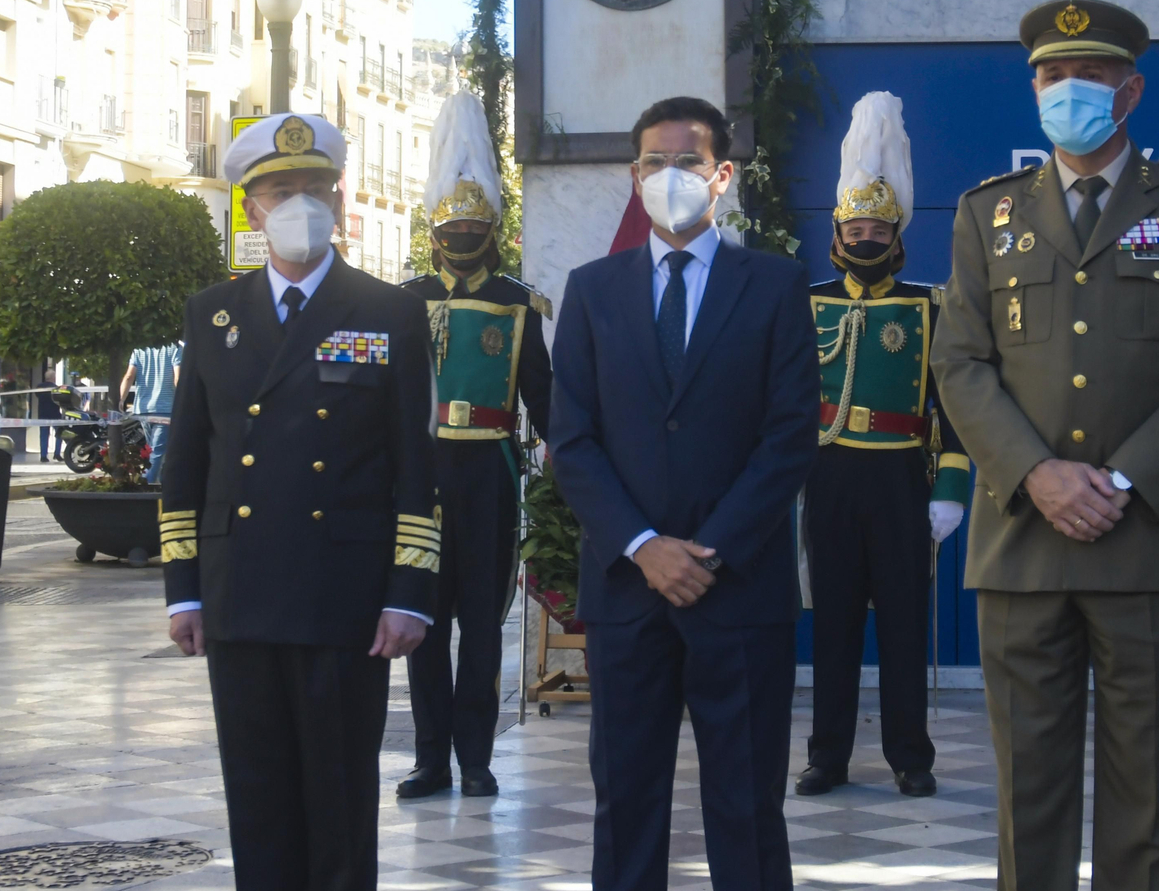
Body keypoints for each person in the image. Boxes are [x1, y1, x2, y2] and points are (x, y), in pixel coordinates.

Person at [931, 0, 1159, 891]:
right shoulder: (986, 215)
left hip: (1151, 539)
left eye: (1089, 74)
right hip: (1022, 545)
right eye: (1050, 74)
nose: (1065, 88)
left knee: (1149, 799)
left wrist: (1117, 480)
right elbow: (958, 362)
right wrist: (1038, 474)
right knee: (1026, 798)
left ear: (1132, 90)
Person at [160, 113, 441, 891]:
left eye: (317, 187)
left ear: (342, 201)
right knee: (257, 796)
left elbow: (417, 464)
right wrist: (184, 588)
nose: (302, 203)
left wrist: (409, 594)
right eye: (283, 189)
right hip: (240, 593)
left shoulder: (388, 313)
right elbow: (184, 463)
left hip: (342, 599)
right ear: (250, 207)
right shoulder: (212, 314)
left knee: (342, 796)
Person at [549, 97, 820, 891]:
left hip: (737, 591)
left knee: (747, 804)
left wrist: (708, 550)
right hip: (628, 594)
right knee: (626, 802)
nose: (670, 177)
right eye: (654, 163)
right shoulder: (592, 290)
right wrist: (644, 546)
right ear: (634, 177)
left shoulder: (774, 285)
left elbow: (789, 436)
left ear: (723, 175)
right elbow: (572, 438)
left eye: (688, 162)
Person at [795, 92, 970, 800]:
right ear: (837, 228)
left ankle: (910, 755)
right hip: (828, 473)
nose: (865, 236)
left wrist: (952, 485)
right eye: (854, 224)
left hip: (902, 478)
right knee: (832, 625)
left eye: (877, 225)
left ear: (897, 232)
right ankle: (826, 756)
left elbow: (953, 404)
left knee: (904, 625)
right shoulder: (802, 300)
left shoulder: (932, 304)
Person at [397, 92, 553, 800]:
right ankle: (430, 756)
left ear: (491, 225)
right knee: (423, 619)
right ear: (435, 227)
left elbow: (545, 400)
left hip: (489, 470)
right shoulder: (403, 301)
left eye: (473, 220)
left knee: (483, 625)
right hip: (421, 475)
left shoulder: (520, 303)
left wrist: (576, 466)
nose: (461, 230)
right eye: (451, 220)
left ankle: (477, 756)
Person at [119, 341, 182, 482]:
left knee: (152, 450)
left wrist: (121, 400)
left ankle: (157, 486)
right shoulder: (174, 349)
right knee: (157, 452)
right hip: (165, 408)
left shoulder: (139, 349)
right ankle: (147, 483)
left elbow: (129, 376)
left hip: (143, 409)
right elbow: (178, 378)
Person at [36, 374, 62, 462]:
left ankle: (43, 456)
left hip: (42, 414)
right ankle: (57, 454)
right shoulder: (56, 388)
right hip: (55, 414)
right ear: (53, 378)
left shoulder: (39, 387)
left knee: (43, 436)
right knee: (59, 434)